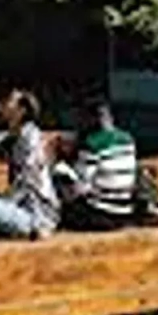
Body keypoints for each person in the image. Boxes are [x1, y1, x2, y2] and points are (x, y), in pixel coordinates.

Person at [0, 89, 60, 240]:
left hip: (37, 213)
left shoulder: (30, 138)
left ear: (21, 110)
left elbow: (26, 181)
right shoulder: (17, 136)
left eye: (10, 101)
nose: (3, 103)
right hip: (24, 206)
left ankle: (33, 229)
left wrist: (2, 201)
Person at [56, 99, 138, 232]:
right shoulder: (128, 140)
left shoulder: (93, 144)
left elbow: (81, 188)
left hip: (101, 215)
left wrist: (62, 162)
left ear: (92, 119)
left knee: (60, 171)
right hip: (125, 213)